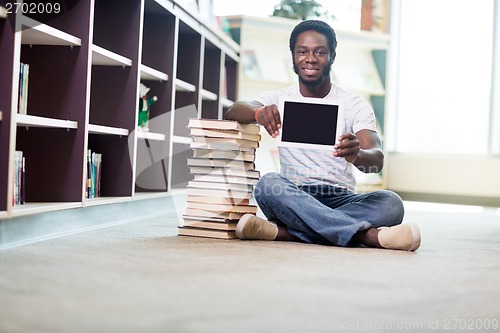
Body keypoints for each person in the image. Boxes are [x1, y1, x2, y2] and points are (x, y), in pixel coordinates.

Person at [225, 19, 421, 251]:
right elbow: (233, 111)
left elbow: (376, 161)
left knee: (391, 203)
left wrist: (357, 155)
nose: (310, 59)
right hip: (293, 193)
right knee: (267, 185)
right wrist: (258, 113)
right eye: (302, 52)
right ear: (293, 57)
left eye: (319, 52)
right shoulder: (279, 97)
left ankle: (286, 231)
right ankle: (366, 237)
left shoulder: (354, 103)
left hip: (340, 198)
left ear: (332, 56)